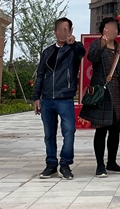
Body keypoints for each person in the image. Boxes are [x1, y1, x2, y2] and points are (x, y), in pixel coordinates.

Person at [33, 17, 86, 180]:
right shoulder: (47, 52)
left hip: (65, 98)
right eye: (61, 29)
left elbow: (82, 53)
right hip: (47, 99)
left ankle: (65, 164)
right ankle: (51, 165)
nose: (64, 33)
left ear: (71, 31)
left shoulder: (74, 49)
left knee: (69, 132)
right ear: (55, 31)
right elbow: (40, 74)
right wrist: (36, 96)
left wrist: (73, 44)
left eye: (67, 29)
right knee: (49, 134)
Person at [80, 16, 120, 177]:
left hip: (117, 92)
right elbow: (91, 58)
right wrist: (101, 44)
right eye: (108, 27)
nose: (112, 30)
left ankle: (112, 162)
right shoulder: (96, 44)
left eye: (115, 27)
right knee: (101, 130)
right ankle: (100, 165)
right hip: (102, 92)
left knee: (115, 130)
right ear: (103, 29)